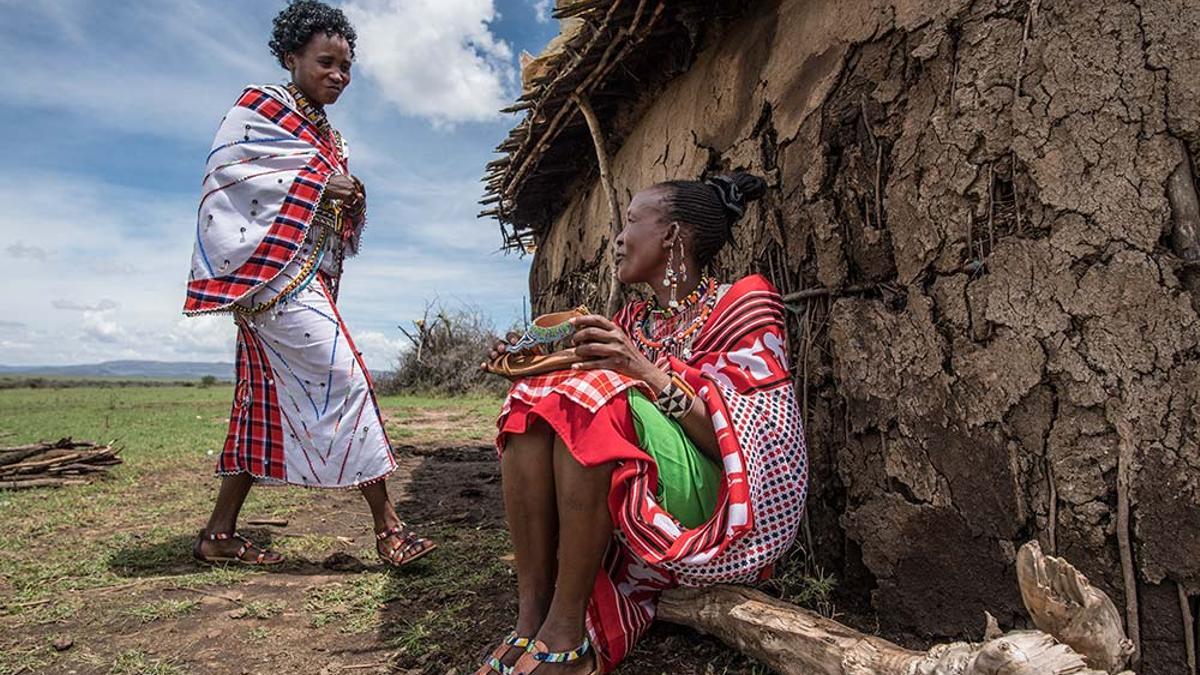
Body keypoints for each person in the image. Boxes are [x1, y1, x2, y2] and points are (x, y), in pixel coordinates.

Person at [478, 173, 809, 673]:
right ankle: (531, 621)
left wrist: (642, 371)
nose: (617, 238)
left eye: (631, 221)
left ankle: (567, 635)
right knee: (533, 401)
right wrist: (528, 358)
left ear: (672, 236)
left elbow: (753, 446)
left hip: (720, 498)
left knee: (593, 396)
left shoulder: (743, 303)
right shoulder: (634, 321)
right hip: (642, 479)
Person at [183, 0, 433, 568]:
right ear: (292, 57)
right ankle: (389, 528)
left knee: (263, 404)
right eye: (325, 63)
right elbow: (232, 178)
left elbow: (327, 207)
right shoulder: (259, 110)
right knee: (347, 378)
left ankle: (218, 534)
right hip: (269, 283)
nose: (337, 76)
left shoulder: (331, 137)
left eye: (345, 68)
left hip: (305, 279)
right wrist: (321, 188)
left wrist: (347, 195)